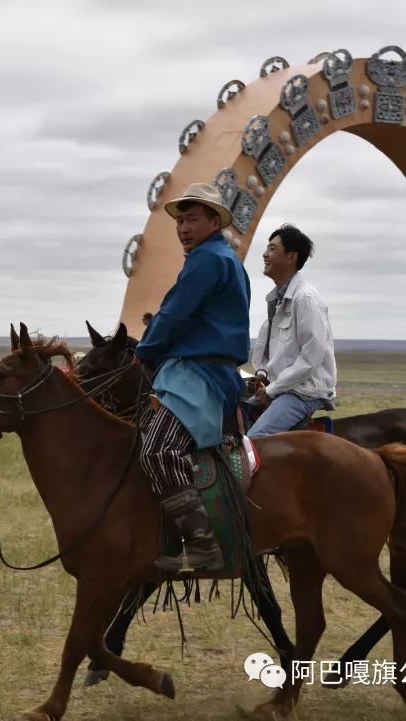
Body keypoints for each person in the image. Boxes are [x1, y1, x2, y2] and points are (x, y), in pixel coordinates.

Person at [135, 182, 250, 575]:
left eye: (193, 219)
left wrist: (144, 351)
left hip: (201, 373)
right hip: (197, 369)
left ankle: (203, 547)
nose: (183, 227)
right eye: (180, 220)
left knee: (158, 451)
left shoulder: (207, 259)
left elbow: (175, 315)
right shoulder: (220, 257)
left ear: (214, 221)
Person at [246, 224, 337, 438]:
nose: (265, 254)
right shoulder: (277, 299)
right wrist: (262, 377)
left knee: (254, 440)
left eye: (272, 248)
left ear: (291, 257)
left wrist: (271, 390)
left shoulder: (305, 298)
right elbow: (274, 352)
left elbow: (310, 359)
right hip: (284, 387)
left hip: (303, 391)